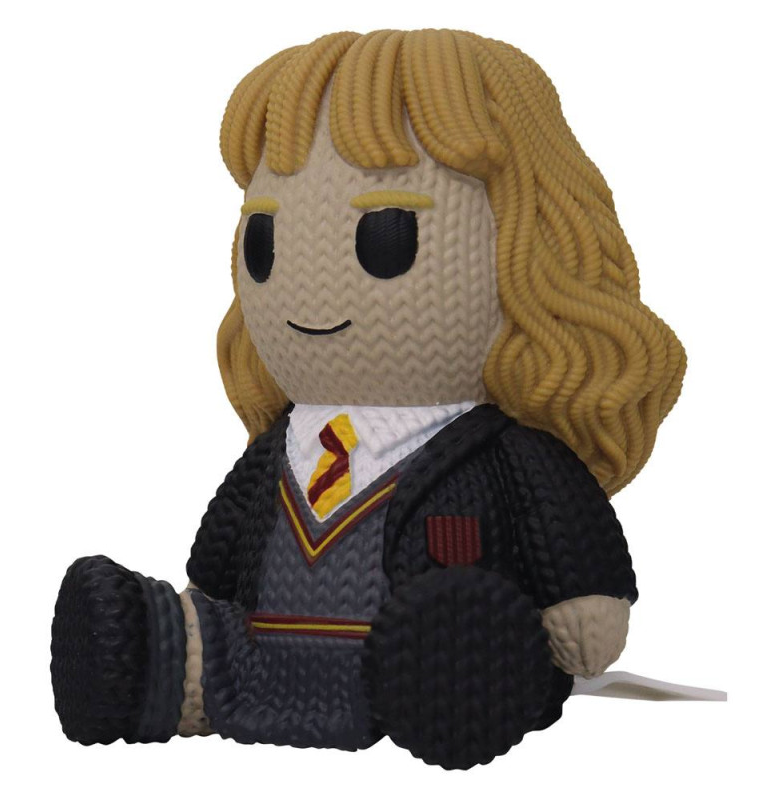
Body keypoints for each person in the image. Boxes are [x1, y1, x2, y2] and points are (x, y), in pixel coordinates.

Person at [51, 29, 686, 770]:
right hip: (265, 657)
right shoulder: (284, 447)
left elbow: (564, 531)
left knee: (458, 639)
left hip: (423, 663)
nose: (307, 292)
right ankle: (165, 662)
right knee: (183, 628)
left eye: (387, 238)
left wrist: (579, 603)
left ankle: (457, 680)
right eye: (264, 245)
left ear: (524, 244)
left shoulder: (502, 452)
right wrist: (206, 600)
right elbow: (221, 556)